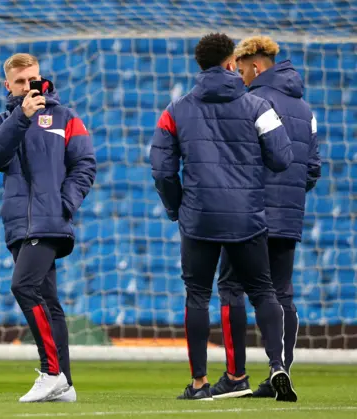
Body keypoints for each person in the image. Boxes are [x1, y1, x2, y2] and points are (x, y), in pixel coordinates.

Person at [150, 33, 297, 402]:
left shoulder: (175, 110)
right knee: (263, 291)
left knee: (197, 296)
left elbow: (162, 171)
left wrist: (176, 208)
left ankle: (199, 384)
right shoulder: (257, 106)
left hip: (199, 218)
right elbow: (282, 158)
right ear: (231, 63)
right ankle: (277, 366)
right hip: (247, 216)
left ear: (200, 66)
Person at [0, 53, 96, 403]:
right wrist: (21, 117)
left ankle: (51, 371)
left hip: (49, 220)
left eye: (33, 80)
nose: (28, 87)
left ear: (41, 78)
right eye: (20, 82)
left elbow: (85, 164)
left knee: (23, 286)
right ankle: (67, 386)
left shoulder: (66, 117)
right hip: (17, 224)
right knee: (48, 300)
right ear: (8, 85)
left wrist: (64, 204)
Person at [213, 35, 322, 399]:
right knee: (282, 293)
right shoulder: (306, 110)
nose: (240, 77)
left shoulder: (249, 103)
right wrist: (286, 197)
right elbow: (312, 169)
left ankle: (235, 375)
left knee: (231, 288)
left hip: (247, 215)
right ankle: (281, 371)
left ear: (255, 66)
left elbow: (234, 161)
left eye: (242, 70)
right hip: (288, 217)